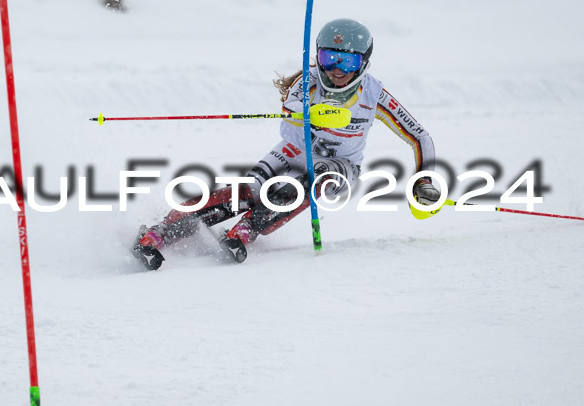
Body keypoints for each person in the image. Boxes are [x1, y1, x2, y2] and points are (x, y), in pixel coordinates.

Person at [132, 18, 441, 270]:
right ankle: (159, 233)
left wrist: (424, 178)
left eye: (347, 62)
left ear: (364, 63)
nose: (337, 70)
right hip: (291, 152)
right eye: (329, 58)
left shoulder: (375, 95)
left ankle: (245, 231)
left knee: (310, 182)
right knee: (247, 193)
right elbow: (290, 110)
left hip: (340, 165)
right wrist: (314, 114)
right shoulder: (306, 81)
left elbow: (418, 136)